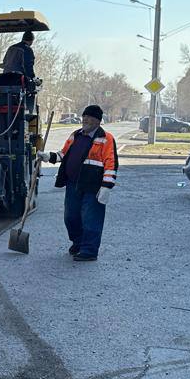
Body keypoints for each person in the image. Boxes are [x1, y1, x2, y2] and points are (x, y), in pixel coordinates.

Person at [46, 103, 118, 261]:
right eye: (84, 116)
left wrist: (107, 186)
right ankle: (78, 243)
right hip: (73, 184)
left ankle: (89, 250)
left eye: (89, 117)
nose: (85, 119)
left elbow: (111, 164)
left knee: (91, 219)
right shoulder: (76, 135)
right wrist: (48, 157)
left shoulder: (106, 139)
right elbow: (63, 154)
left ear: (98, 121)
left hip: (93, 186)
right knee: (70, 217)